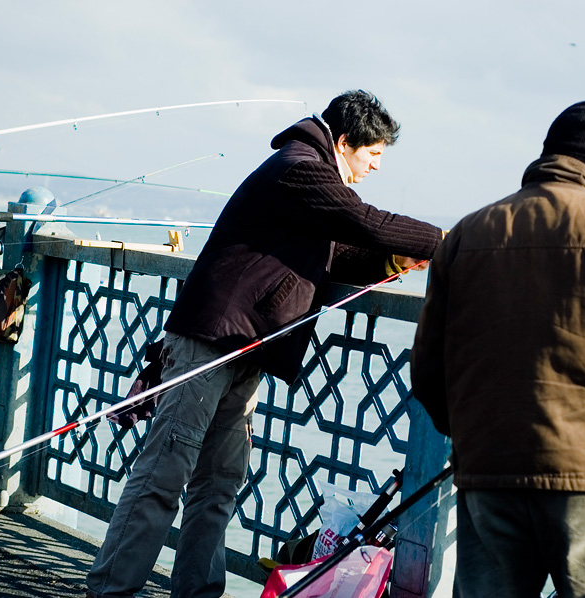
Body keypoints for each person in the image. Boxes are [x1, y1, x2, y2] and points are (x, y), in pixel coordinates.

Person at [87, 90, 444, 598]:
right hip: (210, 341)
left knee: (218, 485)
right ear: (344, 141)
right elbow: (366, 221)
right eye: (373, 153)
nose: (376, 165)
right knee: (163, 476)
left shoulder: (312, 181)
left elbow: (339, 254)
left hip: (245, 347)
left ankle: (198, 593)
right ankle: (110, 591)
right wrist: (451, 242)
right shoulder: (299, 168)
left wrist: (393, 261)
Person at [410, 101, 585, 597]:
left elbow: (428, 370)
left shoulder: (466, 235)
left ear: (549, 153)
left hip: (489, 466)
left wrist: (473, 433)